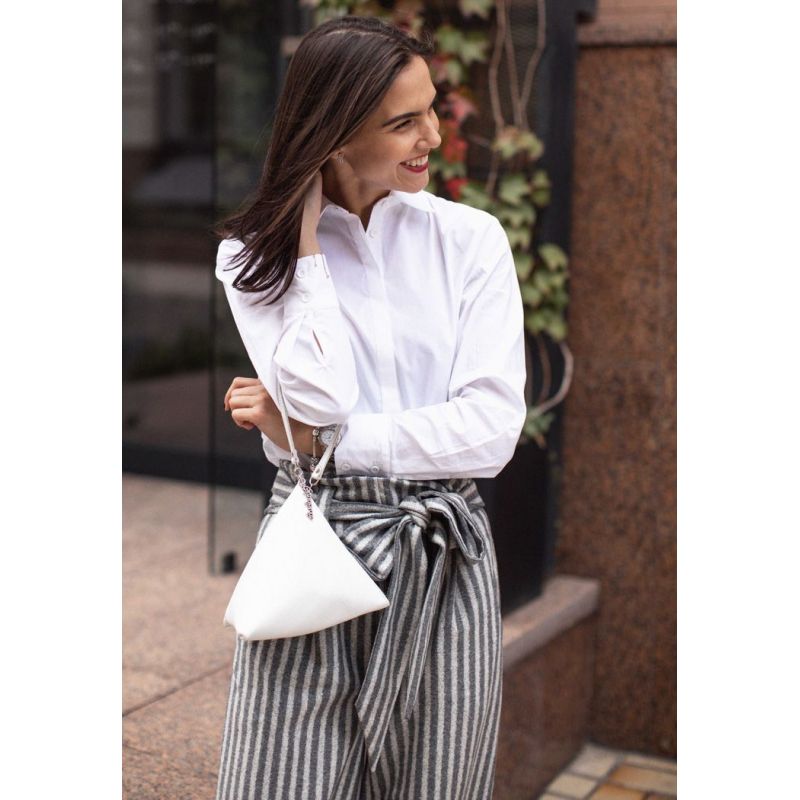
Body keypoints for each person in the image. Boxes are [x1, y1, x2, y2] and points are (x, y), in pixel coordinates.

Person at [213, 14, 526, 800]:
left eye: (431, 110)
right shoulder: (253, 258)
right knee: (281, 781)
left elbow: (491, 431)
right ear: (333, 133)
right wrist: (307, 248)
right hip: (311, 546)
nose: (433, 137)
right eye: (402, 123)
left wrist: (319, 441)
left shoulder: (471, 241)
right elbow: (321, 397)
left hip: (442, 553)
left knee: (437, 783)